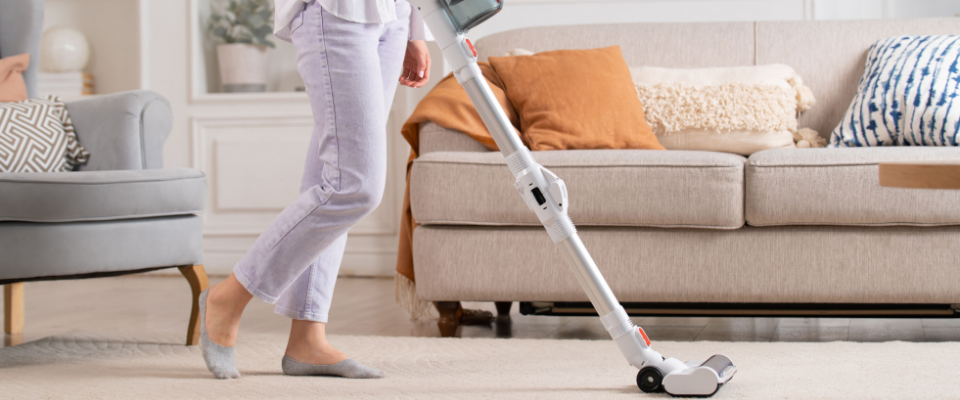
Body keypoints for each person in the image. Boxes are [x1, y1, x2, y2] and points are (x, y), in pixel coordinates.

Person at [197, 0, 432, 379]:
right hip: (337, 10)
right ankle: (227, 298)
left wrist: (416, 27)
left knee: (332, 178)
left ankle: (308, 339)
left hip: (394, 16)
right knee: (354, 186)